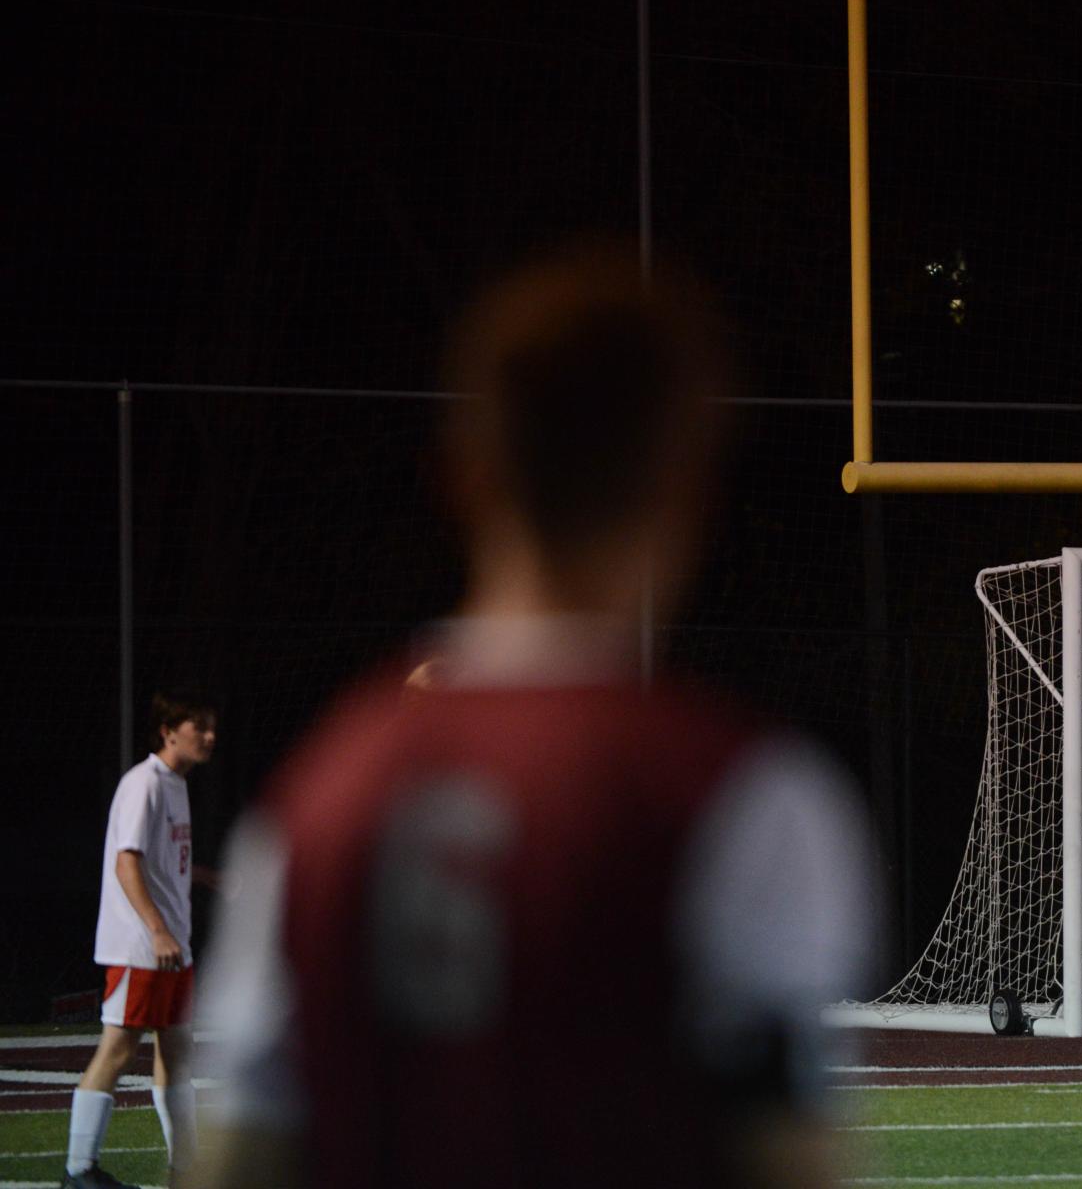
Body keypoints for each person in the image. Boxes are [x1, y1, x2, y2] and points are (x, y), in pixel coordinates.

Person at [195, 241, 881, 1188]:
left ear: (466, 476)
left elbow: (242, 1150)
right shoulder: (741, 789)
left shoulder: (321, 790)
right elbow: (783, 1155)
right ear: (687, 492)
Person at [61, 691, 218, 1189]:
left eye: (212, 727)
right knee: (119, 1049)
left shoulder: (176, 786)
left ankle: (187, 1168)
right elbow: (126, 861)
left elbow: (166, 866)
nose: (210, 736)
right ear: (169, 731)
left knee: (177, 1052)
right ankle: (78, 1170)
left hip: (172, 947)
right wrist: (156, 930)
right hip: (143, 946)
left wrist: (218, 881)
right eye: (200, 726)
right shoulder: (143, 784)